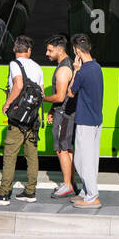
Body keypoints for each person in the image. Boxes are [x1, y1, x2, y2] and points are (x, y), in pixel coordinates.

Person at [0, 36, 43, 206]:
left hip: (18, 118)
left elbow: (18, 84)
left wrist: (8, 103)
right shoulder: (37, 67)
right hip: (32, 117)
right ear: (29, 50)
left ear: (15, 49)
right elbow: (40, 92)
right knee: (32, 155)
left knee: (10, 155)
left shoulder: (14, 64)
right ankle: (30, 192)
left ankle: (3, 194)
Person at [68, 34, 103, 210]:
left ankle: (92, 197)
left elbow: (70, 92)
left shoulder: (82, 72)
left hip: (85, 121)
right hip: (97, 119)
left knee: (82, 160)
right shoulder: (97, 67)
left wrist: (75, 70)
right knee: (93, 159)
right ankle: (85, 191)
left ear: (77, 51)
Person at [44, 34, 79, 199]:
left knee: (61, 149)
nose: (47, 53)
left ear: (60, 50)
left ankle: (67, 186)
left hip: (64, 114)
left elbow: (59, 96)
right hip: (66, 113)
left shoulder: (64, 69)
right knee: (68, 149)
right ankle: (70, 182)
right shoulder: (68, 65)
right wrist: (51, 109)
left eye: (50, 50)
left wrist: (42, 97)